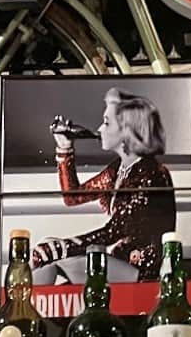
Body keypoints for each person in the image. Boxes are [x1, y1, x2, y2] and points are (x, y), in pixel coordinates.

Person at [31, 87, 176, 284]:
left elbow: (111, 232)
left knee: (57, 259)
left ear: (127, 131)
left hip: (143, 272)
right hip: (120, 261)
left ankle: (27, 300)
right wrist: (65, 147)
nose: (99, 129)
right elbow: (73, 197)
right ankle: (34, 297)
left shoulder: (151, 175)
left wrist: (57, 249)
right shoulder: (119, 168)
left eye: (107, 123)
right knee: (49, 245)